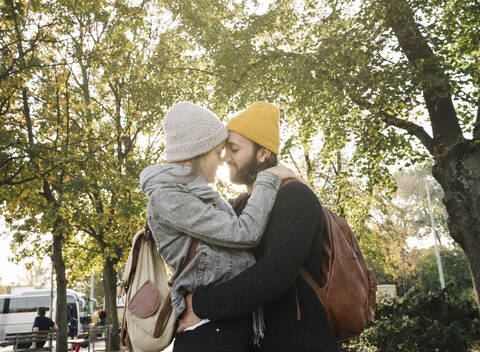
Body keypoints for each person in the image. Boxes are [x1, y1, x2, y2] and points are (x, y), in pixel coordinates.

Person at [178, 102, 340, 351]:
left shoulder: (295, 196)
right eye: (224, 149)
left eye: (233, 149)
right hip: (252, 339)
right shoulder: (240, 207)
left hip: (296, 340)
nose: (225, 157)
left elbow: (275, 273)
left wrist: (199, 305)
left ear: (263, 153)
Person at [139, 102, 295, 352]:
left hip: (224, 325)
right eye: (217, 152)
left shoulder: (199, 195)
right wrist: (270, 177)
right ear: (194, 155)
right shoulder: (169, 198)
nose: (223, 160)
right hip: (209, 332)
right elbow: (245, 232)